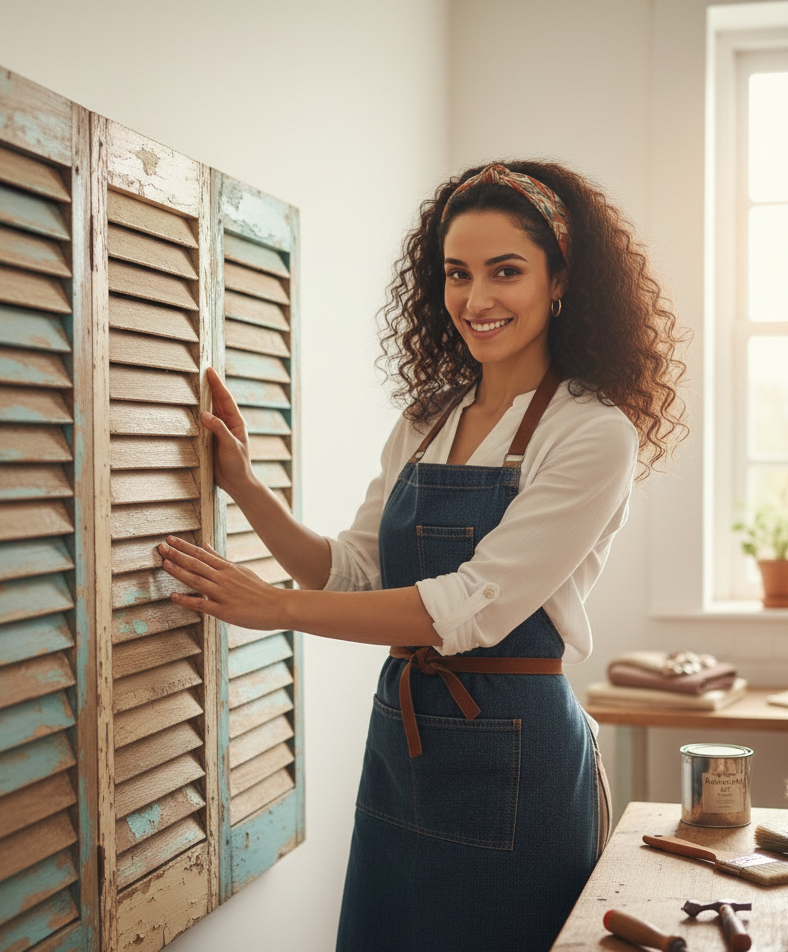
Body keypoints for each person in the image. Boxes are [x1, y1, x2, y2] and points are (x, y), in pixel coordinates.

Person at [158, 160, 687, 952]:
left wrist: (273, 611)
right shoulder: (428, 419)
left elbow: (467, 608)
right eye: (457, 274)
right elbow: (351, 570)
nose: (476, 300)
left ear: (559, 279)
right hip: (404, 743)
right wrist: (242, 485)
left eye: (504, 271)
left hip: (516, 756)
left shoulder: (590, 430)